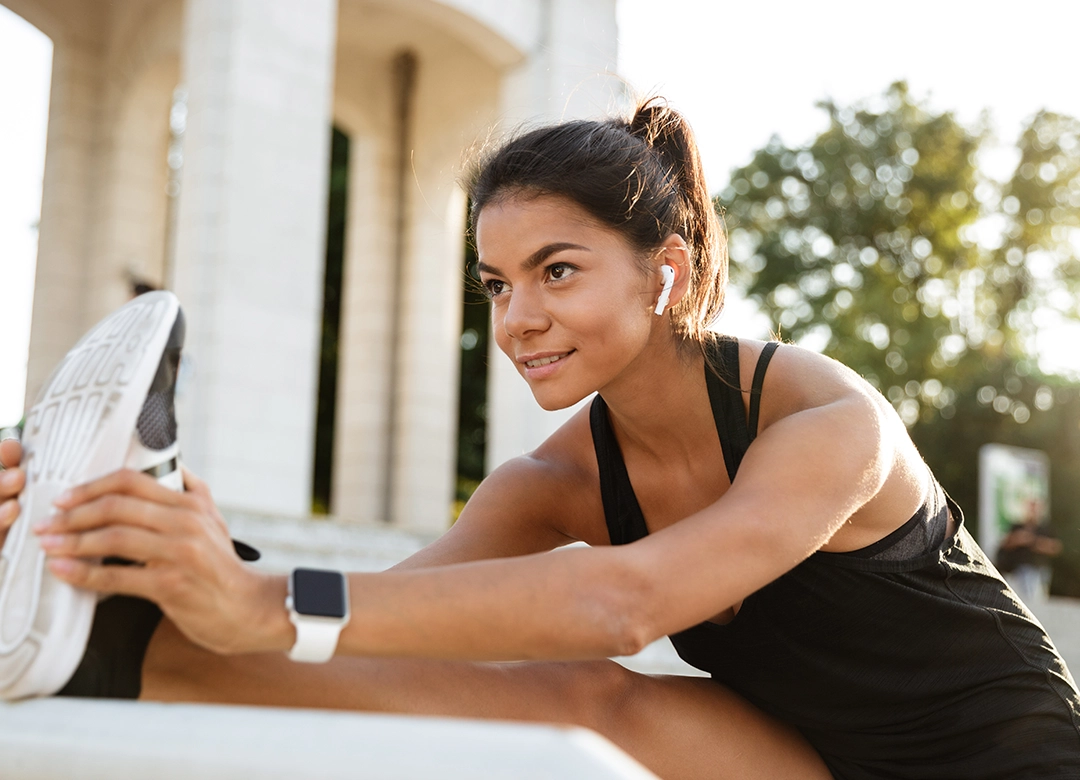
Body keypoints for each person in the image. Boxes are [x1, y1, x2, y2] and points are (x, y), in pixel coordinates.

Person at [1, 98, 1078, 779]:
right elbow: (383, 621)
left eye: (557, 271)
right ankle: (117, 648)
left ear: (665, 272)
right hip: (813, 761)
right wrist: (180, 552)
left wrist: (257, 600)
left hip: (1015, 762)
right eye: (497, 285)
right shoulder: (554, 478)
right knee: (586, 703)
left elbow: (625, 603)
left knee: (595, 663)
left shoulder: (828, 424)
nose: (516, 320)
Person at [997, 498, 1063, 605]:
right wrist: (1018, 539)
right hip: (1018, 570)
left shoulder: (1044, 528)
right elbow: (1005, 543)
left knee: (1037, 600)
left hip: (1040, 570)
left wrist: (1033, 541)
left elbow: (1055, 547)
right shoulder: (1018, 526)